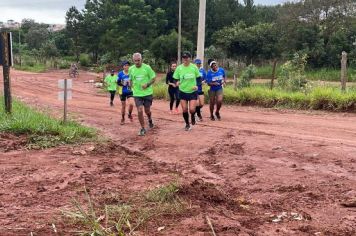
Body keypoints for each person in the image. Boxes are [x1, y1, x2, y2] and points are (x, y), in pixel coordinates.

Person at [129, 53, 156, 136]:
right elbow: (131, 79)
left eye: (138, 60)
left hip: (147, 93)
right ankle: (143, 128)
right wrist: (131, 86)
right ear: (133, 61)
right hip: (137, 93)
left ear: (141, 59)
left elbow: (153, 78)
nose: (137, 62)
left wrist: (147, 84)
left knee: (147, 110)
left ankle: (150, 119)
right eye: (135, 61)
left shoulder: (147, 68)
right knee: (140, 110)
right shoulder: (131, 69)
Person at [173, 51, 200, 131]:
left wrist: (197, 86)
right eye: (184, 58)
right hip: (182, 91)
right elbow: (175, 78)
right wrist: (176, 82)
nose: (185, 59)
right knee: (184, 109)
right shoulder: (179, 68)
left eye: (187, 58)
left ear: (190, 58)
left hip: (192, 92)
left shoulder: (194, 67)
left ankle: (192, 116)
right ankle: (187, 124)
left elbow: (198, 78)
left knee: (192, 109)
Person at [117, 61, 134, 125]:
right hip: (122, 92)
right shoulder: (120, 73)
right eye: (125, 65)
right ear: (123, 66)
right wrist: (123, 83)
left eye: (127, 65)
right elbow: (118, 82)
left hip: (130, 91)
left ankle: (129, 114)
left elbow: (133, 81)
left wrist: (131, 83)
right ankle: (123, 118)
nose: (126, 66)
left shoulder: (131, 73)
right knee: (123, 106)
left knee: (131, 104)